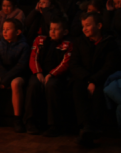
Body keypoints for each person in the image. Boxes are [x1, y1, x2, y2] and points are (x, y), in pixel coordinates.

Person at [71, 12, 121, 147]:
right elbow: (74, 64)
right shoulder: (79, 41)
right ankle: (86, 127)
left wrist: (94, 80)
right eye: (83, 26)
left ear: (99, 25)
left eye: (88, 25)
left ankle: (93, 128)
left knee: (100, 91)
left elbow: (110, 66)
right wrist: (88, 79)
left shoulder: (110, 43)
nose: (84, 29)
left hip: (102, 78)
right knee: (78, 88)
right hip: (84, 77)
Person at [24, 17, 73, 136]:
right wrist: (38, 72)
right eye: (51, 29)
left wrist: (52, 74)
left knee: (51, 86)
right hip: (40, 72)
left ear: (65, 32)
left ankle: (54, 125)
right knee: (34, 84)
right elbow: (33, 57)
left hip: (57, 76)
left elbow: (66, 63)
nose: (52, 32)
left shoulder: (68, 44)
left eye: (56, 29)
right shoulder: (40, 39)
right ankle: (30, 122)